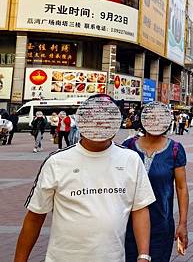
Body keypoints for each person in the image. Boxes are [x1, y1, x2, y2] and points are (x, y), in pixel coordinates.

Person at [14, 95, 155, 262]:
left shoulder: (131, 160)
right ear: (83, 120)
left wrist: (144, 256)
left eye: (108, 117)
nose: (100, 123)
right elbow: (35, 216)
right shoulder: (57, 162)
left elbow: (139, 209)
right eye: (94, 117)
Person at [123, 103, 189, 262]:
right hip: (128, 225)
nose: (155, 121)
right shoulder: (129, 146)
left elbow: (181, 188)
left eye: (160, 117)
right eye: (151, 117)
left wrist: (183, 223)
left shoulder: (174, 149)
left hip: (160, 224)